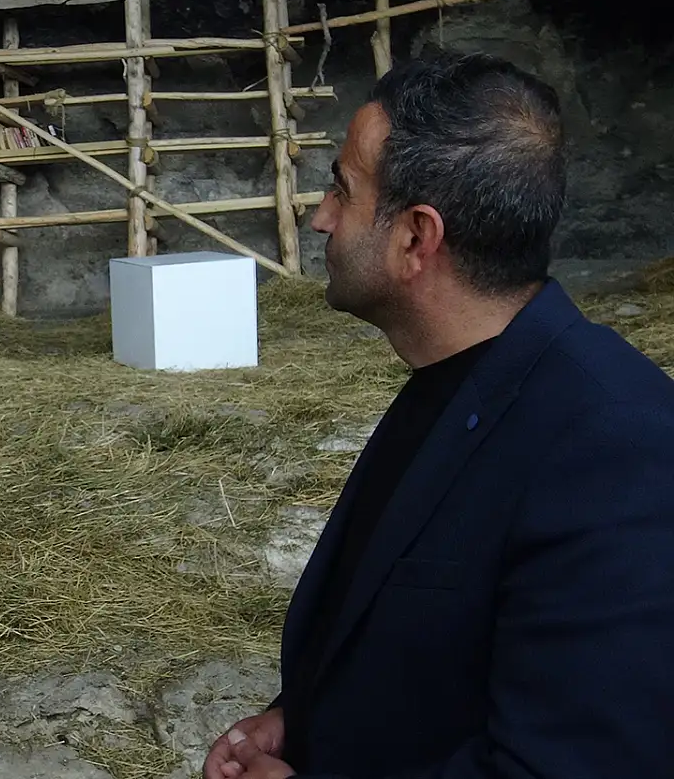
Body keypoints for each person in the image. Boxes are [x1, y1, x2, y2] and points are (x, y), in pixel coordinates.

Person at [203, 51, 674, 778]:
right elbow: (427, 645)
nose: (321, 218)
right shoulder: (462, 379)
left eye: (342, 190)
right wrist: (301, 718)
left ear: (416, 238)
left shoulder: (617, 447)